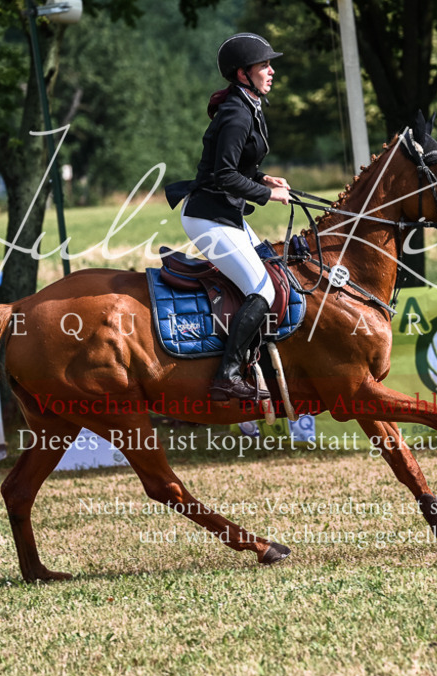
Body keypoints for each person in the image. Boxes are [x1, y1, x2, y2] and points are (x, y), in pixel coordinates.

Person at [176, 33, 291, 402]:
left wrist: (261, 177)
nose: (271, 72)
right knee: (263, 289)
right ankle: (226, 376)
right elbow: (223, 176)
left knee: (274, 270)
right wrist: (267, 194)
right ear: (243, 74)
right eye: (264, 66)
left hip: (227, 214)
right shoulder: (237, 113)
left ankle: (261, 364)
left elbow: (236, 166)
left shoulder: (248, 104)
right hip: (208, 219)